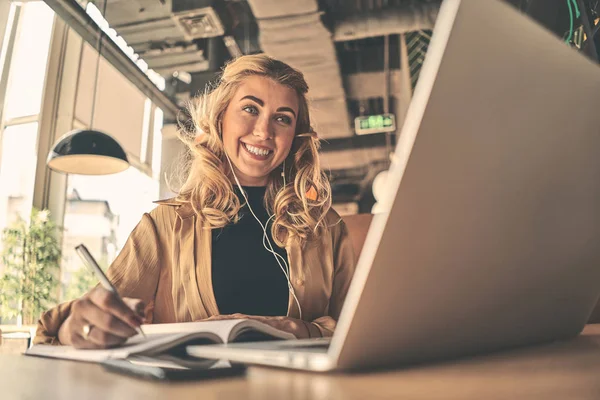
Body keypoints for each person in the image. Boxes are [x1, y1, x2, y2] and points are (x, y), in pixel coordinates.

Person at [34, 54, 357, 349]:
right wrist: (76, 328)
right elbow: (93, 319)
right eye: (250, 109)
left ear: (294, 136)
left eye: (282, 118)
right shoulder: (163, 226)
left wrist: (294, 328)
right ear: (221, 119)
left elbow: (358, 331)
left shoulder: (325, 228)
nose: (263, 131)